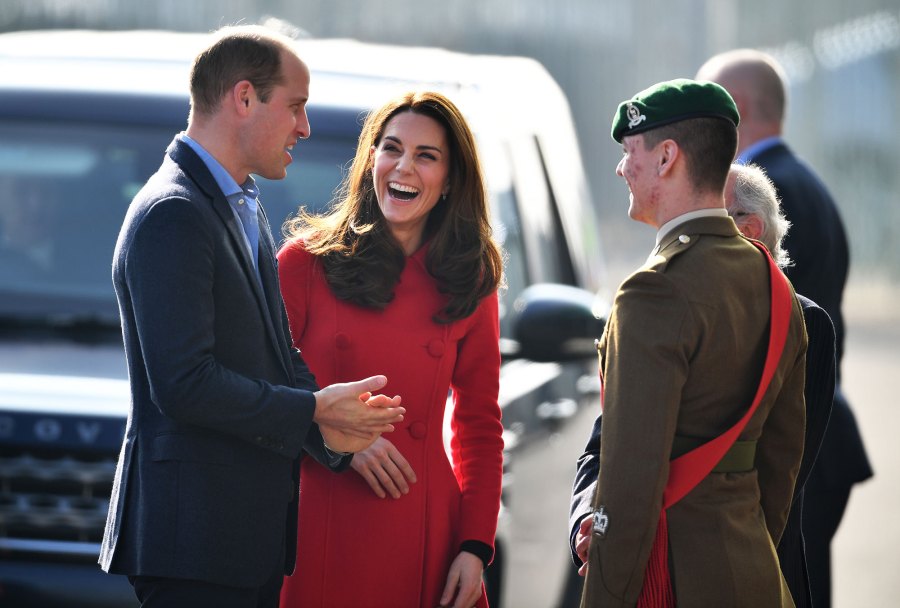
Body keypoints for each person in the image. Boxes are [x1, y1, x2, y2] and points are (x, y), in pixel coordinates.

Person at [98, 25, 405, 608]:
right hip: (194, 548)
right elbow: (184, 385)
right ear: (244, 98)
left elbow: (277, 355)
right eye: (295, 107)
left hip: (238, 545)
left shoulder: (242, 203)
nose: (305, 127)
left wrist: (336, 433)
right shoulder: (174, 212)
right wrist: (314, 409)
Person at [574, 79, 807, 607]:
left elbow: (629, 490)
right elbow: (780, 461)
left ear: (666, 159)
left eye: (629, 151)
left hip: (670, 582)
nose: (620, 168)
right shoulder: (774, 285)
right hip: (751, 574)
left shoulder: (653, 290)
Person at [277, 90, 504, 608]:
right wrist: (339, 440)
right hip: (318, 519)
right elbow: (265, 387)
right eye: (392, 148)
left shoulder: (471, 281)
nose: (404, 166)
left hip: (422, 523)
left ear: (450, 181)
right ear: (371, 159)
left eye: (427, 156)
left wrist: (474, 547)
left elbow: (479, 424)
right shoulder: (305, 263)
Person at [697, 49, 873, 607]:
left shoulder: (759, 191)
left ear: (738, 108)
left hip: (794, 439)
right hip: (813, 432)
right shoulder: (806, 181)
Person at [726, 163, 835, 608]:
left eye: (701, 221)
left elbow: (782, 474)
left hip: (761, 568)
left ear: (749, 230)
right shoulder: (686, 311)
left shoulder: (805, 322)